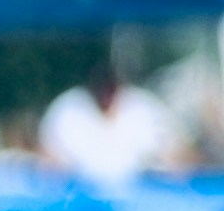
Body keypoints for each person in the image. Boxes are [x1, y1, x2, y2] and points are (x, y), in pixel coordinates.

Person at [41, 57, 185, 184]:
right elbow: (49, 158)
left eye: (109, 85)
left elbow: (175, 156)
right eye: (100, 85)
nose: (105, 92)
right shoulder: (68, 109)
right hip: (80, 198)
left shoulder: (145, 109)